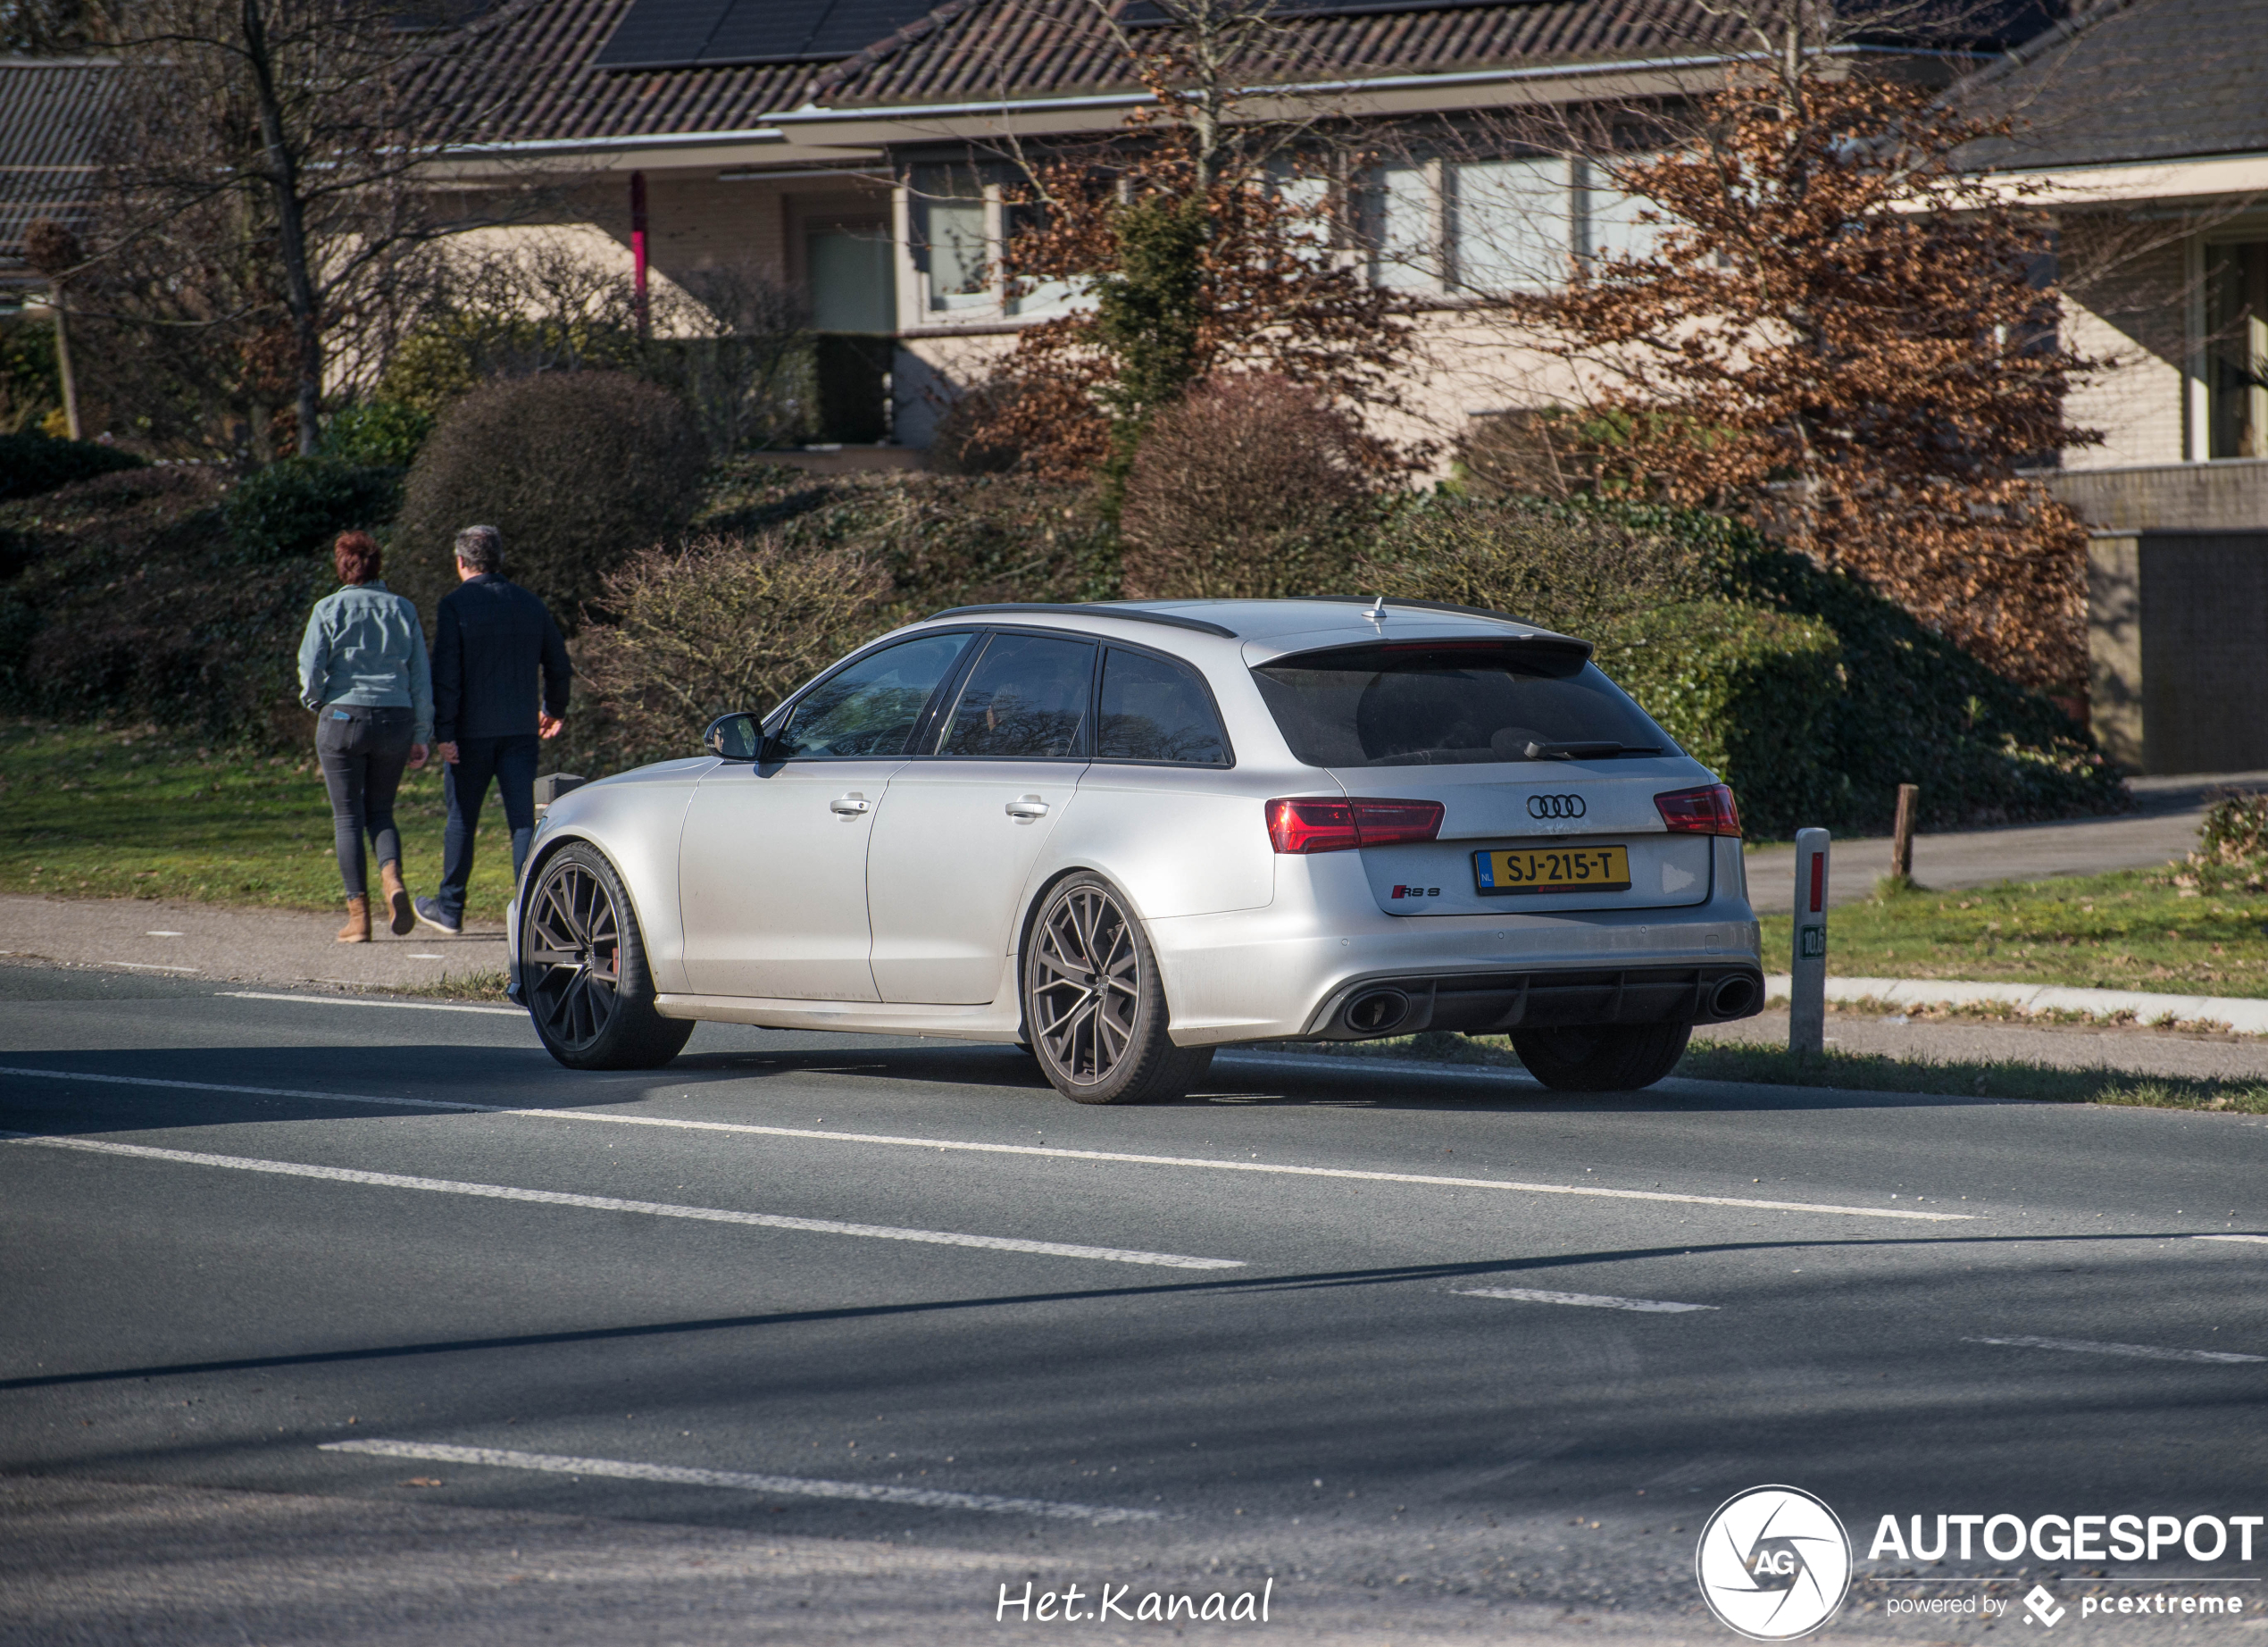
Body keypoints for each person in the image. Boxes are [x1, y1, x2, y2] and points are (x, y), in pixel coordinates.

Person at [415, 524, 571, 936]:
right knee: (522, 821)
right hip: (520, 730)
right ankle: (530, 911)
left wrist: (443, 730)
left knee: (462, 819)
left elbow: (445, 674)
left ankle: (450, 909)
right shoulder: (529, 604)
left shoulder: (455, 605)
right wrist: (553, 709)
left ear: (461, 562)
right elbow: (558, 663)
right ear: (499, 560)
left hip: (469, 734)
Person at [298, 531, 432, 942]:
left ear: (343, 567)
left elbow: (311, 667)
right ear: (377, 566)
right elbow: (420, 676)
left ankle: (358, 919)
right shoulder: (403, 609)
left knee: (347, 817)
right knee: (381, 811)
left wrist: (317, 701)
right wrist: (422, 732)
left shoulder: (327, 609)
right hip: (396, 718)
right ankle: (393, 882)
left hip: (343, 716)